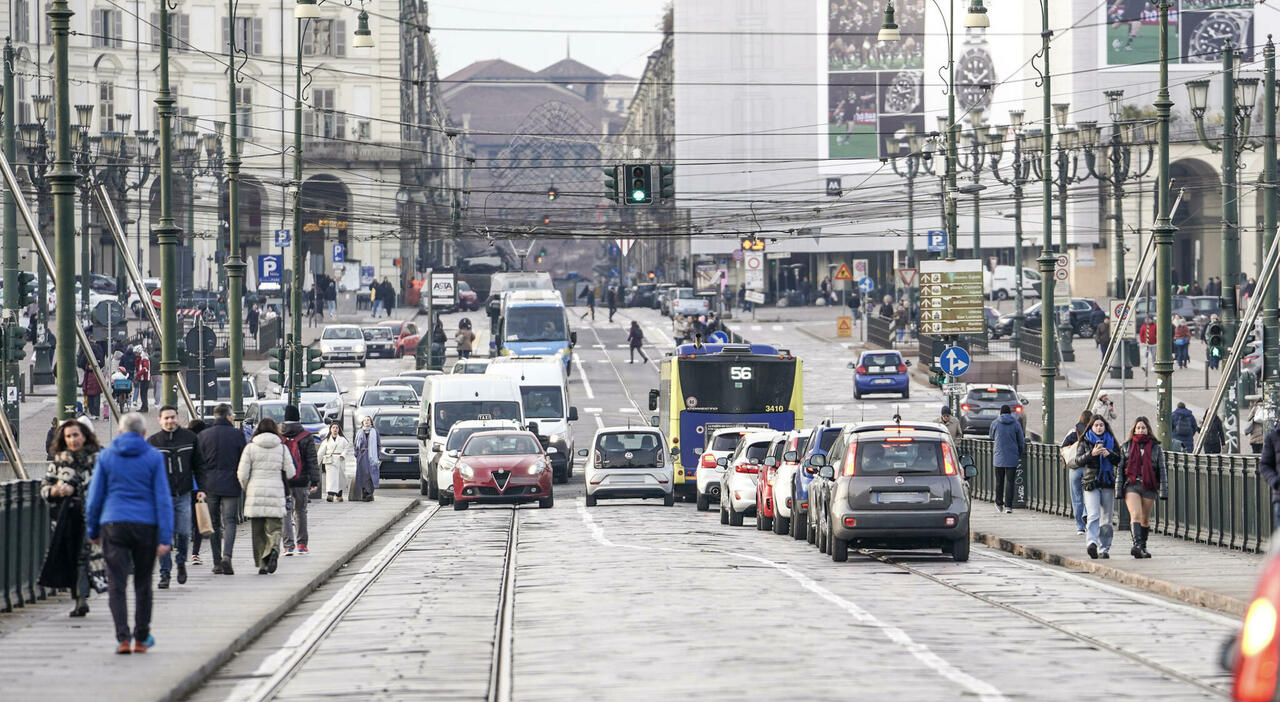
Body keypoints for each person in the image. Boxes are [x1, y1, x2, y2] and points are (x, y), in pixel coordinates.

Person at [84, 413, 172, 654]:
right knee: (143, 582)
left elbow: (94, 498)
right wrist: (165, 537)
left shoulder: (106, 456)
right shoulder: (153, 457)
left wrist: (92, 530)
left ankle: (123, 638)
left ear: (120, 432)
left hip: (113, 524)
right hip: (145, 525)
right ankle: (141, 638)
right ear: (144, 434)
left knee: (117, 583)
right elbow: (162, 498)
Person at [38, 418, 104, 617]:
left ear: (84, 436)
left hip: (92, 516)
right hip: (66, 516)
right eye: (68, 436)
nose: (73, 440)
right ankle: (78, 597)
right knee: (72, 557)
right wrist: (55, 491)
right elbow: (45, 486)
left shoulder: (98, 458)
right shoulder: (60, 460)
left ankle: (81, 598)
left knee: (83, 556)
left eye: (76, 435)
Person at [148, 406, 203, 589]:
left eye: (172, 417)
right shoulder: (153, 442)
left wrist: (202, 488)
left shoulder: (190, 438)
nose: (170, 421)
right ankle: (165, 573)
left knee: (184, 532)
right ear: (160, 420)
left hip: (184, 492)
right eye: (166, 418)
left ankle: (181, 562)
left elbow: (199, 465)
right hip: (162, 496)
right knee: (163, 535)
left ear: (177, 418)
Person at [196, 403, 247, 575]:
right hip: (231, 483)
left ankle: (217, 562)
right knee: (230, 521)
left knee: (214, 523)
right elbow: (243, 459)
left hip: (209, 485)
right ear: (228, 416)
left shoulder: (204, 435)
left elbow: (199, 462)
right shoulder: (237, 435)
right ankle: (227, 556)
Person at [237, 417, 291, 575]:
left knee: (258, 531)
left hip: (255, 492)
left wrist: (247, 487)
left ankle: (262, 563)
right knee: (275, 527)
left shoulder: (250, 448)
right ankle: (273, 548)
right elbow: (291, 472)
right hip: (275, 492)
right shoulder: (281, 448)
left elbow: (242, 474)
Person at [1068, 415, 1124, 559]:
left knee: (1106, 519)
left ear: (1105, 427)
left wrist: (1109, 454)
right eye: (1096, 425)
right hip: (1091, 482)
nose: (1099, 428)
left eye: (1101, 425)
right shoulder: (1085, 441)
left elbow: (1119, 459)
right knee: (1093, 515)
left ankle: (1104, 548)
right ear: (1091, 427)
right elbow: (1078, 461)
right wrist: (1091, 454)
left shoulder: (1111, 440)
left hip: (1107, 482)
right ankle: (1091, 543)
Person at [1120, 416, 1166, 559]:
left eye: (1143, 428)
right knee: (1135, 515)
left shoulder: (1156, 447)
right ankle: (1137, 546)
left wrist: (1163, 489)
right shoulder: (1126, 446)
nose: (1141, 430)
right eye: (1138, 428)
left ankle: (1143, 546)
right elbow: (1120, 469)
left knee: (1145, 519)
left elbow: (1162, 470)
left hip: (1149, 485)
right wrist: (1118, 488)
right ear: (1134, 430)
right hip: (1132, 484)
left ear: (1148, 430)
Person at [279, 405, 319, 556]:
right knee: (301, 511)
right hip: (301, 480)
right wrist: (314, 481)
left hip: (284, 481)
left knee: (285, 512)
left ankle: (288, 546)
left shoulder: (279, 436)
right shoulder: (306, 436)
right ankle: (302, 545)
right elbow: (312, 460)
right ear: (298, 418)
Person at [988, 405, 1025, 514]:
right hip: (1012, 456)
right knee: (1010, 481)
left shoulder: (995, 423)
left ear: (1000, 413)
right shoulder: (1016, 424)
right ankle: (1008, 506)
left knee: (999, 481)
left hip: (998, 456)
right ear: (1010, 413)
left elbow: (991, 436)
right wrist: (1019, 452)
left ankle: (999, 503)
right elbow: (1021, 441)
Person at [1061, 410, 1094, 535]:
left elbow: (1063, 447)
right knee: (1090, 495)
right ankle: (1087, 515)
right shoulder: (1092, 432)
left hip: (1075, 468)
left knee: (1077, 498)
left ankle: (1080, 527)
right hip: (1088, 468)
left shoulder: (1073, 432)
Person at [318, 422, 354, 502]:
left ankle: (339, 495)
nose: (335, 429)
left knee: (340, 478)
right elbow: (321, 452)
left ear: (339, 429)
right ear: (330, 429)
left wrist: (343, 455)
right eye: (333, 427)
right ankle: (330, 495)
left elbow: (347, 447)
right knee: (330, 478)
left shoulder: (342, 440)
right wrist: (317, 461)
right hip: (330, 461)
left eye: (336, 428)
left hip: (339, 460)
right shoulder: (326, 440)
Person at [353, 415, 381, 502]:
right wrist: (357, 455)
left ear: (371, 422)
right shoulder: (359, 432)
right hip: (362, 456)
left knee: (370, 474)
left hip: (372, 456)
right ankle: (364, 493)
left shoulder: (375, 432)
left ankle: (369, 493)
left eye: (368, 420)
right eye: (364, 420)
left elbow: (378, 445)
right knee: (362, 474)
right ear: (362, 422)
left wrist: (378, 456)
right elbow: (355, 445)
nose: (366, 421)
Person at [134, 347, 151, 413]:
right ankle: (144, 406)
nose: (135, 354)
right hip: (143, 378)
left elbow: (145, 368)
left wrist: (138, 374)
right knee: (143, 393)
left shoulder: (144, 358)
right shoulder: (142, 358)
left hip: (145, 378)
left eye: (136, 353)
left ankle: (144, 407)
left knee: (143, 393)